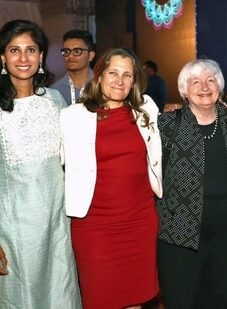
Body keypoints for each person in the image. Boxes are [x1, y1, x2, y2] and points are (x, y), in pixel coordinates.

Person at [60, 47, 162, 309]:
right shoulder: (72, 117)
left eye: (127, 75)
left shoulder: (146, 109)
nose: (120, 80)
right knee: (100, 298)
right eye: (113, 73)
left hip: (139, 220)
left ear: (134, 80)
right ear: (99, 76)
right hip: (94, 225)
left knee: (134, 299)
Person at [0, 19, 81, 308]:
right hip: (13, 229)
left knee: (60, 292)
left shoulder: (55, 100)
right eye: (14, 50)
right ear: (2, 57)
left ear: (42, 57)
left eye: (31, 50)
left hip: (58, 222)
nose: (23, 58)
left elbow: (77, 154)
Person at [156, 59, 227, 309]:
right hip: (179, 223)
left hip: (225, 224)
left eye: (211, 80)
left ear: (220, 87)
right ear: (184, 89)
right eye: (196, 82)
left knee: (217, 293)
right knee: (182, 294)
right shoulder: (168, 124)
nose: (204, 87)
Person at [51, 29, 95, 105]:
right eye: (66, 51)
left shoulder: (102, 86)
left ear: (90, 56)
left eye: (77, 51)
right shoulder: (54, 91)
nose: (70, 56)